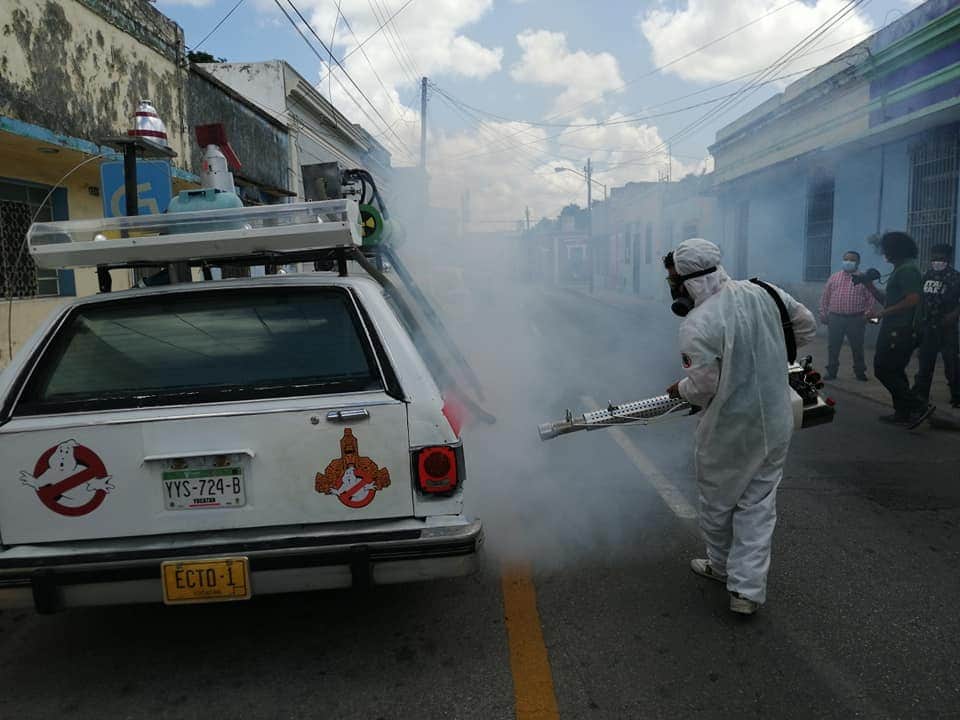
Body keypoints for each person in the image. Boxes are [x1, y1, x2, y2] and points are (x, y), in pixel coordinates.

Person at [663, 239, 816, 616]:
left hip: (729, 429)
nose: (671, 287)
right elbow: (806, 326)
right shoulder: (765, 291)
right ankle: (746, 591)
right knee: (758, 505)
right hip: (775, 420)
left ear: (685, 281)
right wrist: (768, 351)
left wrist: (679, 388)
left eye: (672, 279)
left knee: (718, 504)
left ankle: (720, 565)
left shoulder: (697, 323)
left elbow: (702, 389)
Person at [861, 231, 934, 427]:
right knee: (895, 369)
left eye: (885, 248)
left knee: (883, 369)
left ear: (895, 249)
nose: (883, 252)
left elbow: (912, 300)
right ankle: (902, 413)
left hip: (901, 329)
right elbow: (889, 300)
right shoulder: (900, 269)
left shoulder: (907, 270)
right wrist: (869, 286)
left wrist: (881, 314)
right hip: (895, 327)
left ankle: (918, 405)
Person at [912, 244, 960, 409]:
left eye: (940, 258)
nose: (937, 261)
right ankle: (920, 395)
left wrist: (955, 314)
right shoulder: (927, 275)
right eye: (934, 258)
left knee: (952, 363)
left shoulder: (955, 277)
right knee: (925, 363)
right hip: (928, 327)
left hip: (947, 329)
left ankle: (957, 396)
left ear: (948, 259)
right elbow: (920, 298)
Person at [818, 251, 875, 381]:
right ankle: (831, 371)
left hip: (856, 318)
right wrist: (823, 312)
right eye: (846, 259)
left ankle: (860, 371)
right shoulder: (834, 277)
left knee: (857, 346)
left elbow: (871, 298)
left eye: (852, 260)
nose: (848, 262)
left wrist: (867, 314)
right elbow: (825, 296)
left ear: (858, 263)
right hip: (835, 318)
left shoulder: (863, 278)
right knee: (833, 346)